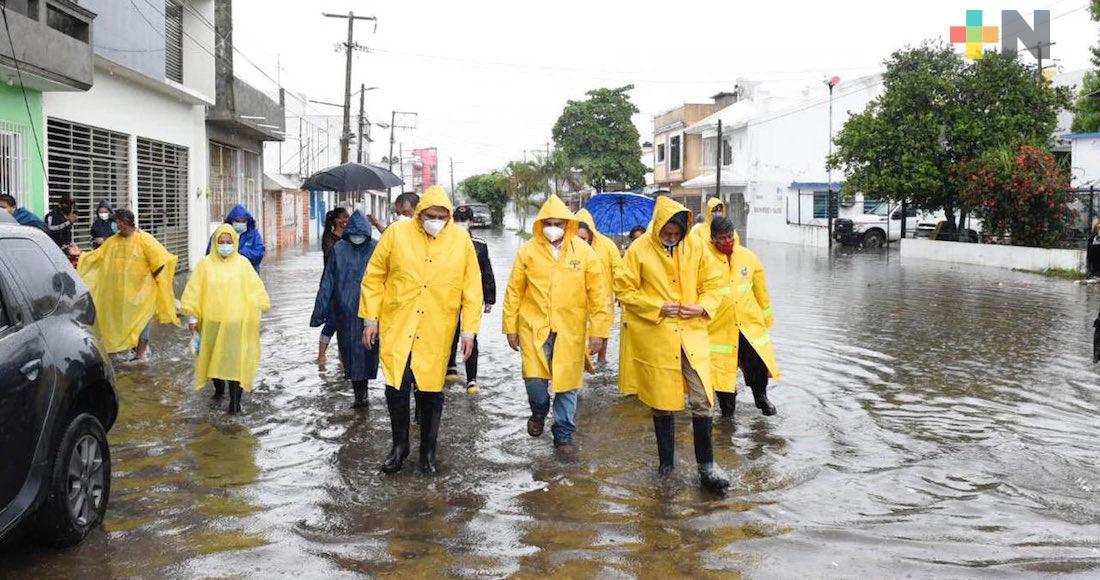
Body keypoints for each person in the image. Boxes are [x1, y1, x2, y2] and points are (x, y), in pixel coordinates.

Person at [360, 185, 483, 475]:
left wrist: (469, 332)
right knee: (397, 387)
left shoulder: (460, 242)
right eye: (431, 215)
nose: (436, 221)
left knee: (430, 391)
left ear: (450, 216)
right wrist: (370, 319)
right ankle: (399, 447)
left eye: (442, 216)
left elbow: (472, 288)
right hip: (398, 325)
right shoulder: (396, 234)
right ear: (419, 214)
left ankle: (428, 453)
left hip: (437, 329)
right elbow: (374, 276)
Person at [614, 195, 730, 493]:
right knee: (662, 400)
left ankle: (707, 466)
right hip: (657, 335)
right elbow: (623, 289)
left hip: (691, 332)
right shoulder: (639, 250)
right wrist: (656, 307)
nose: (672, 238)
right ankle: (666, 466)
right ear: (658, 227)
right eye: (667, 233)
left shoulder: (695, 247)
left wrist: (702, 307)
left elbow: (715, 284)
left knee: (702, 396)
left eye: (677, 234)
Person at [504, 195, 611, 451]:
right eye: (548, 222)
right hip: (533, 327)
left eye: (558, 223)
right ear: (541, 224)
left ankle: (563, 435)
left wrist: (598, 332)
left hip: (570, 329)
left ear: (568, 225)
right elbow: (514, 291)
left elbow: (598, 294)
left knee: (567, 384)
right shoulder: (527, 251)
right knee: (534, 381)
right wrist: (510, 326)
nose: (553, 227)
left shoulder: (584, 253)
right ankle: (539, 412)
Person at [182, 224, 271, 413]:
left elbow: (255, 290)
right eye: (221, 242)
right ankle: (218, 390)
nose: (225, 245)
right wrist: (192, 319)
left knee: (234, 361)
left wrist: (257, 310)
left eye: (228, 242)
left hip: (235, 323)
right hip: (211, 322)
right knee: (215, 357)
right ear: (214, 243)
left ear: (235, 242)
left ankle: (235, 404)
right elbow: (193, 292)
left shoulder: (243, 265)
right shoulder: (205, 265)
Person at [77, 208, 180, 360]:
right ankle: (131, 349)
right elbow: (96, 257)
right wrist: (79, 255)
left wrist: (150, 280)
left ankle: (140, 356)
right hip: (121, 294)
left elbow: (161, 261)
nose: (115, 225)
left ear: (124, 222)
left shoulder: (145, 239)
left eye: (117, 222)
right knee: (124, 322)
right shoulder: (113, 241)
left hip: (142, 294)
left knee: (142, 324)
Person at [705, 216, 781, 418]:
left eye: (730, 236)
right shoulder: (703, 258)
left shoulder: (747, 256)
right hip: (719, 326)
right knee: (722, 368)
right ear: (712, 238)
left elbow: (760, 289)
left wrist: (767, 316)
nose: (728, 241)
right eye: (722, 238)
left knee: (757, 363)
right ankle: (727, 409)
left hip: (748, 323)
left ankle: (761, 397)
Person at [311, 210, 380, 409]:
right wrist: (320, 312)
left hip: (371, 311)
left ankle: (364, 395)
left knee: (368, 351)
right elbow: (328, 281)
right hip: (345, 311)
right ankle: (360, 395)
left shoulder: (376, 248)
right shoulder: (339, 249)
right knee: (350, 353)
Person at [445, 205, 496, 394]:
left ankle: (471, 379)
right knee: (449, 332)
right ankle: (449, 366)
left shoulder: (479, 245)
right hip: (447, 298)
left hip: (471, 299)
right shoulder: (443, 243)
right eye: (457, 220)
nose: (460, 224)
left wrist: (489, 298)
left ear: (471, 222)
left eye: (464, 220)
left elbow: (486, 272)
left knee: (470, 335)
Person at [575, 208, 622, 364]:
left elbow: (618, 270)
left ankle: (602, 361)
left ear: (590, 232)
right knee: (578, 329)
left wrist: (621, 292)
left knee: (603, 327)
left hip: (604, 295)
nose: (580, 240)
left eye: (583, 237)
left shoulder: (607, 245)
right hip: (578, 296)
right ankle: (580, 361)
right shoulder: (570, 246)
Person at [317, 207, 350, 367]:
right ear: (335, 220)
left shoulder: (351, 237)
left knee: (346, 321)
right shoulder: (329, 238)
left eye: (348, 217)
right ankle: (321, 355)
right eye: (344, 217)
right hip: (332, 285)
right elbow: (331, 257)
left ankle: (342, 355)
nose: (346, 220)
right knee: (332, 321)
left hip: (348, 284)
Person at [221, 204, 265, 271]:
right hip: (228, 273)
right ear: (232, 221)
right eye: (238, 221)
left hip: (250, 274)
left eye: (243, 221)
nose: (240, 224)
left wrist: (240, 251)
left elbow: (258, 255)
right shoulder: (221, 233)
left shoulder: (254, 235)